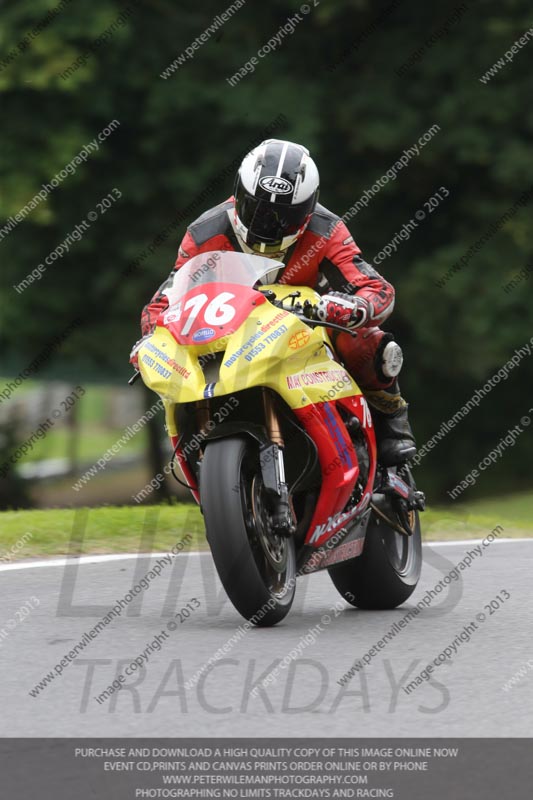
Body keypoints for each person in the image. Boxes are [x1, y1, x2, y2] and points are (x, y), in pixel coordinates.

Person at [133, 139, 416, 466]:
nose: (269, 225)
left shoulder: (327, 229)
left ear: (309, 209)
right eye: (258, 210)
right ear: (239, 195)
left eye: (286, 216)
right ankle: (199, 441)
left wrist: (355, 308)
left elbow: (374, 287)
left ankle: (392, 419)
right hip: (232, 332)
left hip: (310, 324)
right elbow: (167, 297)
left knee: (369, 344)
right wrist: (152, 337)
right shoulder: (205, 231)